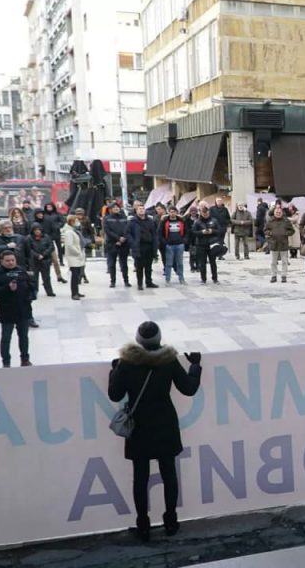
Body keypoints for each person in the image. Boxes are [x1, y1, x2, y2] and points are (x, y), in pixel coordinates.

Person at [108, 321, 202, 542]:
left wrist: (114, 370)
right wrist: (195, 366)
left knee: (140, 477)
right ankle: (171, 521)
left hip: (139, 427)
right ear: (159, 338)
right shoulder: (167, 361)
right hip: (164, 424)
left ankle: (143, 525)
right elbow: (189, 388)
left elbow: (114, 394)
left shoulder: (126, 363)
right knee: (168, 473)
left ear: (138, 339)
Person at [0, 250, 35, 367]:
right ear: (1, 261)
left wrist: (31, 295)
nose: (10, 263)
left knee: (24, 336)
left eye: (12, 260)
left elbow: (31, 285)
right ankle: (6, 361)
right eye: (7, 261)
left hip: (23, 309)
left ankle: (25, 359)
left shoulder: (21, 271)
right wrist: (7, 288)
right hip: (7, 310)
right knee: (6, 338)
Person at [127, 205, 160, 290]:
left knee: (149, 266)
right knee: (139, 267)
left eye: (143, 209)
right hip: (139, 246)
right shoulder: (133, 221)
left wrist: (155, 244)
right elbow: (128, 233)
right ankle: (140, 283)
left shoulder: (150, 221)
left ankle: (149, 282)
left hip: (149, 246)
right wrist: (133, 242)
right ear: (136, 211)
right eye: (139, 209)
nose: (141, 210)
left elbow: (154, 233)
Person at [191, 203, 222, 285]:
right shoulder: (197, 222)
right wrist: (202, 232)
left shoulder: (214, 220)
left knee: (213, 262)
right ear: (201, 213)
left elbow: (220, 231)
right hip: (201, 244)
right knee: (202, 263)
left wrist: (212, 231)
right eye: (204, 213)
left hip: (211, 244)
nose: (205, 215)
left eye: (207, 213)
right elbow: (193, 232)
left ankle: (215, 278)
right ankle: (203, 279)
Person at [104, 203, 132, 288]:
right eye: (114, 207)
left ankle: (126, 281)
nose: (116, 209)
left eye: (117, 207)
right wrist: (117, 238)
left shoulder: (124, 218)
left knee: (124, 263)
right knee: (112, 264)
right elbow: (107, 231)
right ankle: (113, 281)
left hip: (124, 244)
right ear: (110, 209)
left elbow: (127, 229)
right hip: (112, 244)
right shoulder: (107, 219)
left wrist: (123, 238)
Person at [264, 205, 294, 283]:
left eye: (279, 212)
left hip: (283, 243)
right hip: (274, 243)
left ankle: (284, 276)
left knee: (284, 261)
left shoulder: (286, 221)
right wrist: (270, 233)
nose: (278, 213)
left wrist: (285, 233)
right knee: (273, 262)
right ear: (274, 213)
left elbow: (292, 231)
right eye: (276, 212)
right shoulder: (270, 221)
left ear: (282, 213)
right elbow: (265, 230)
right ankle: (273, 276)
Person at [27, 224, 57, 298]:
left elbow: (51, 247)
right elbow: (28, 249)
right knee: (34, 278)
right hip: (34, 261)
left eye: (39, 230)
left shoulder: (46, 237)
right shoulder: (29, 238)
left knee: (46, 277)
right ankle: (34, 292)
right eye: (35, 230)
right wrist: (37, 255)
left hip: (45, 260)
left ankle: (49, 291)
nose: (37, 231)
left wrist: (43, 254)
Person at [62, 215, 87, 300]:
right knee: (74, 276)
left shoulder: (74, 231)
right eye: (76, 221)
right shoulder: (69, 232)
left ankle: (77, 291)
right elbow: (69, 246)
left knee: (77, 276)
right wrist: (78, 252)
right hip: (73, 257)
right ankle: (74, 293)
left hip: (77, 257)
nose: (78, 223)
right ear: (72, 222)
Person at [162, 206, 188, 284]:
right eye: (171, 212)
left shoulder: (182, 221)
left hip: (179, 244)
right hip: (169, 245)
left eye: (174, 212)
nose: (172, 213)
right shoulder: (164, 222)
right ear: (168, 213)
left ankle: (181, 278)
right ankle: (167, 279)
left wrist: (184, 241)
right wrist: (165, 242)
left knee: (180, 263)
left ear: (176, 212)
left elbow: (187, 232)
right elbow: (160, 233)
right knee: (169, 263)